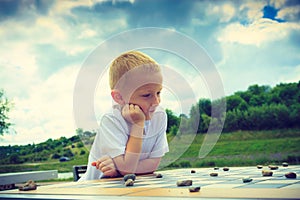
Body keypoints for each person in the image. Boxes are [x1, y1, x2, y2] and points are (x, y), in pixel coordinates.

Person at [79, 51, 169, 181]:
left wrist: (119, 170)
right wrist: (137, 124)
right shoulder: (111, 120)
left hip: (128, 188)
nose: (156, 102)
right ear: (119, 97)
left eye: (159, 92)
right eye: (146, 95)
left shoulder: (159, 116)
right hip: (92, 192)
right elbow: (128, 169)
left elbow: (153, 164)